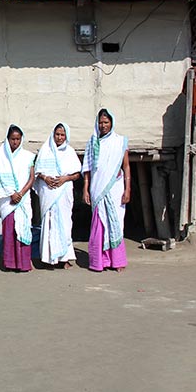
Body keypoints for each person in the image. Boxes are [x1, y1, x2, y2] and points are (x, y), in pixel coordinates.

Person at [82, 109, 130, 272]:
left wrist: (128, 189)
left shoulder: (119, 141)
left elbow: (126, 166)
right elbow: (87, 168)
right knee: (99, 223)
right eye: (101, 122)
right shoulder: (93, 142)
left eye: (106, 122)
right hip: (97, 187)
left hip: (116, 187)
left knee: (115, 221)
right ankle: (99, 261)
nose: (103, 125)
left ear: (112, 123)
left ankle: (117, 261)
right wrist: (86, 189)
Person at [34, 123, 82, 268]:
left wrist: (64, 179)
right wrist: (45, 178)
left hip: (63, 192)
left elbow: (77, 174)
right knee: (48, 224)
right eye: (57, 134)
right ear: (53, 134)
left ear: (66, 136)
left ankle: (65, 258)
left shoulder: (70, 152)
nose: (59, 138)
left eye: (62, 135)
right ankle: (49, 259)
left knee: (65, 224)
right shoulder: (45, 150)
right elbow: (37, 171)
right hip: (48, 193)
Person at [0, 125, 36, 272]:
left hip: (23, 198)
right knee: (10, 232)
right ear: (8, 139)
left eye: (18, 139)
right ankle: (10, 263)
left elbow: (31, 178)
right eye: (12, 139)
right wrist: (11, 193)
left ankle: (23, 263)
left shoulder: (28, 156)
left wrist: (21, 193)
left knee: (23, 229)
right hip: (8, 199)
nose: (15, 142)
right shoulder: (1, 156)